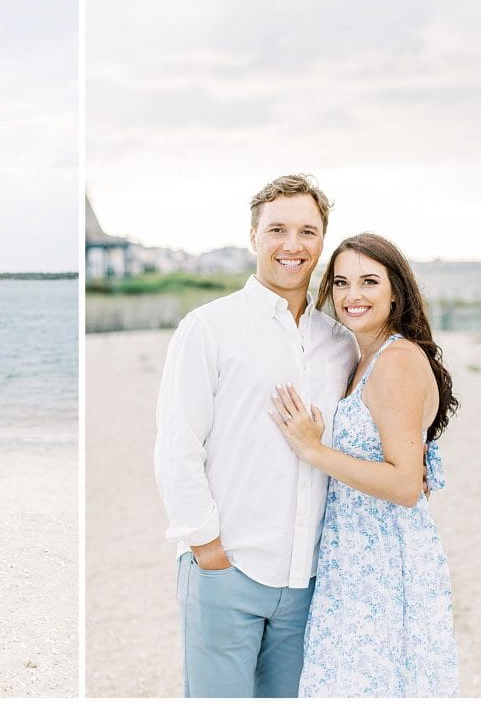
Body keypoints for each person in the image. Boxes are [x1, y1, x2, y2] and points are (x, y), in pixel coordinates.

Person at [153, 175, 359, 697]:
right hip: (229, 568)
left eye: (308, 231)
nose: (293, 245)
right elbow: (177, 446)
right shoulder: (209, 327)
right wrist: (208, 549)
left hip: (309, 580)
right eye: (278, 229)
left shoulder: (340, 343)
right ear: (253, 235)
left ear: (322, 241)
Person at [269, 232, 459, 696]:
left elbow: (406, 484)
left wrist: (314, 451)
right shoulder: (363, 356)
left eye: (369, 282)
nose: (352, 296)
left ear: (396, 290)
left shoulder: (394, 361)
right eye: (340, 282)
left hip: (384, 562)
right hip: (354, 556)